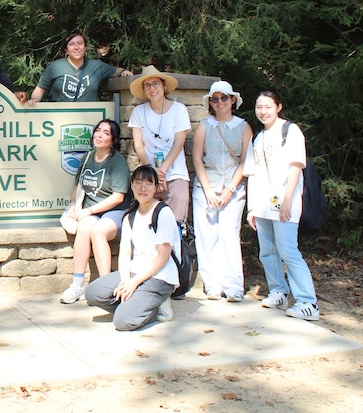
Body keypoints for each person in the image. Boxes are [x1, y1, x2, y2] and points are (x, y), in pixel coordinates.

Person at [244, 91, 319, 321]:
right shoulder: (257, 137)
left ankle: (308, 302)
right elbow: (252, 173)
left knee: (288, 250)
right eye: (259, 107)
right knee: (267, 250)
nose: (263, 111)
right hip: (263, 205)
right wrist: (251, 208)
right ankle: (278, 291)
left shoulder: (290, 130)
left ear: (278, 107)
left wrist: (288, 200)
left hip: (285, 203)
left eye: (268, 106)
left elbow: (296, 167)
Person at [85, 165, 182, 330]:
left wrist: (135, 282)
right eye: (138, 183)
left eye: (148, 184)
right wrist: (125, 281)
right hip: (135, 271)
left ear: (156, 188)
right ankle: (134, 304)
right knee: (93, 292)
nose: (142, 188)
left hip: (159, 277)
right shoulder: (130, 216)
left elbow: (163, 256)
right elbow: (124, 253)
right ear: (131, 185)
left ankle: (158, 306)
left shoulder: (163, 213)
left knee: (122, 322)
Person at [191, 81, 252, 302]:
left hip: (233, 189)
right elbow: (197, 157)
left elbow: (245, 161)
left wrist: (230, 189)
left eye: (223, 98)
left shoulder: (244, 127)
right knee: (207, 237)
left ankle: (234, 285)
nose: (219, 102)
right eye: (215, 99)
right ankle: (212, 284)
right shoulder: (204, 125)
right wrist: (208, 189)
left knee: (229, 234)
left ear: (233, 100)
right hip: (206, 187)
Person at [58, 119, 130, 305]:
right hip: (91, 211)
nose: (100, 135)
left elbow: (118, 197)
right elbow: (78, 184)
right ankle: (77, 285)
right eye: (98, 130)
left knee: (99, 232)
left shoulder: (117, 162)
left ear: (113, 140)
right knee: (84, 228)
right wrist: (74, 204)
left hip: (116, 211)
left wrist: (88, 210)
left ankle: (105, 290)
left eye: (106, 133)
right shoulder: (88, 157)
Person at [128, 66, 191, 222]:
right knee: (147, 223)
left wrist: (161, 171)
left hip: (175, 174)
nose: (152, 89)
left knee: (175, 224)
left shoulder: (179, 110)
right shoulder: (138, 112)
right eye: (147, 86)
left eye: (155, 83)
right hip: (148, 177)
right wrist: (152, 172)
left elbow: (179, 142)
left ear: (164, 86)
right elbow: (139, 146)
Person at [27, 32, 132, 105]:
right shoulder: (54, 67)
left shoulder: (96, 66)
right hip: (58, 116)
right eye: (71, 44)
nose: (76, 47)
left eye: (80, 43)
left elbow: (116, 71)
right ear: (66, 50)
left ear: (85, 48)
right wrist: (34, 101)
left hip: (87, 117)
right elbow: (40, 89)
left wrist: (124, 71)